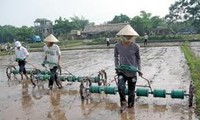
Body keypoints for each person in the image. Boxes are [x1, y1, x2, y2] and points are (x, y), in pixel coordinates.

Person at [114, 25, 143, 111]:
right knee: (120, 87)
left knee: (131, 91)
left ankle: (131, 106)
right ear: (122, 36)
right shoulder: (117, 46)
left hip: (132, 72)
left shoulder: (135, 46)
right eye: (126, 36)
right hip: (122, 71)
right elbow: (115, 56)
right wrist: (117, 67)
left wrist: (139, 69)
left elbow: (138, 58)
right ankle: (123, 103)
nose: (128, 38)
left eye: (130, 37)